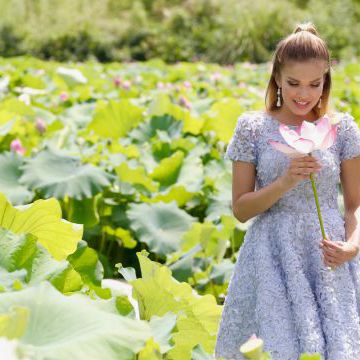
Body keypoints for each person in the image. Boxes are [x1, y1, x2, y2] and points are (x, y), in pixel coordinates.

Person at [215, 22, 360, 360]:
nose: (303, 94)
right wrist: (285, 181)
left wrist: (352, 247)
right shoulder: (252, 127)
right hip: (270, 257)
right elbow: (241, 209)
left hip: (328, 256)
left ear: (326, 82)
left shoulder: (342, 129)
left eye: (314, 84)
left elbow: (355, 205)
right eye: (294, 83)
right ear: (277, 78)